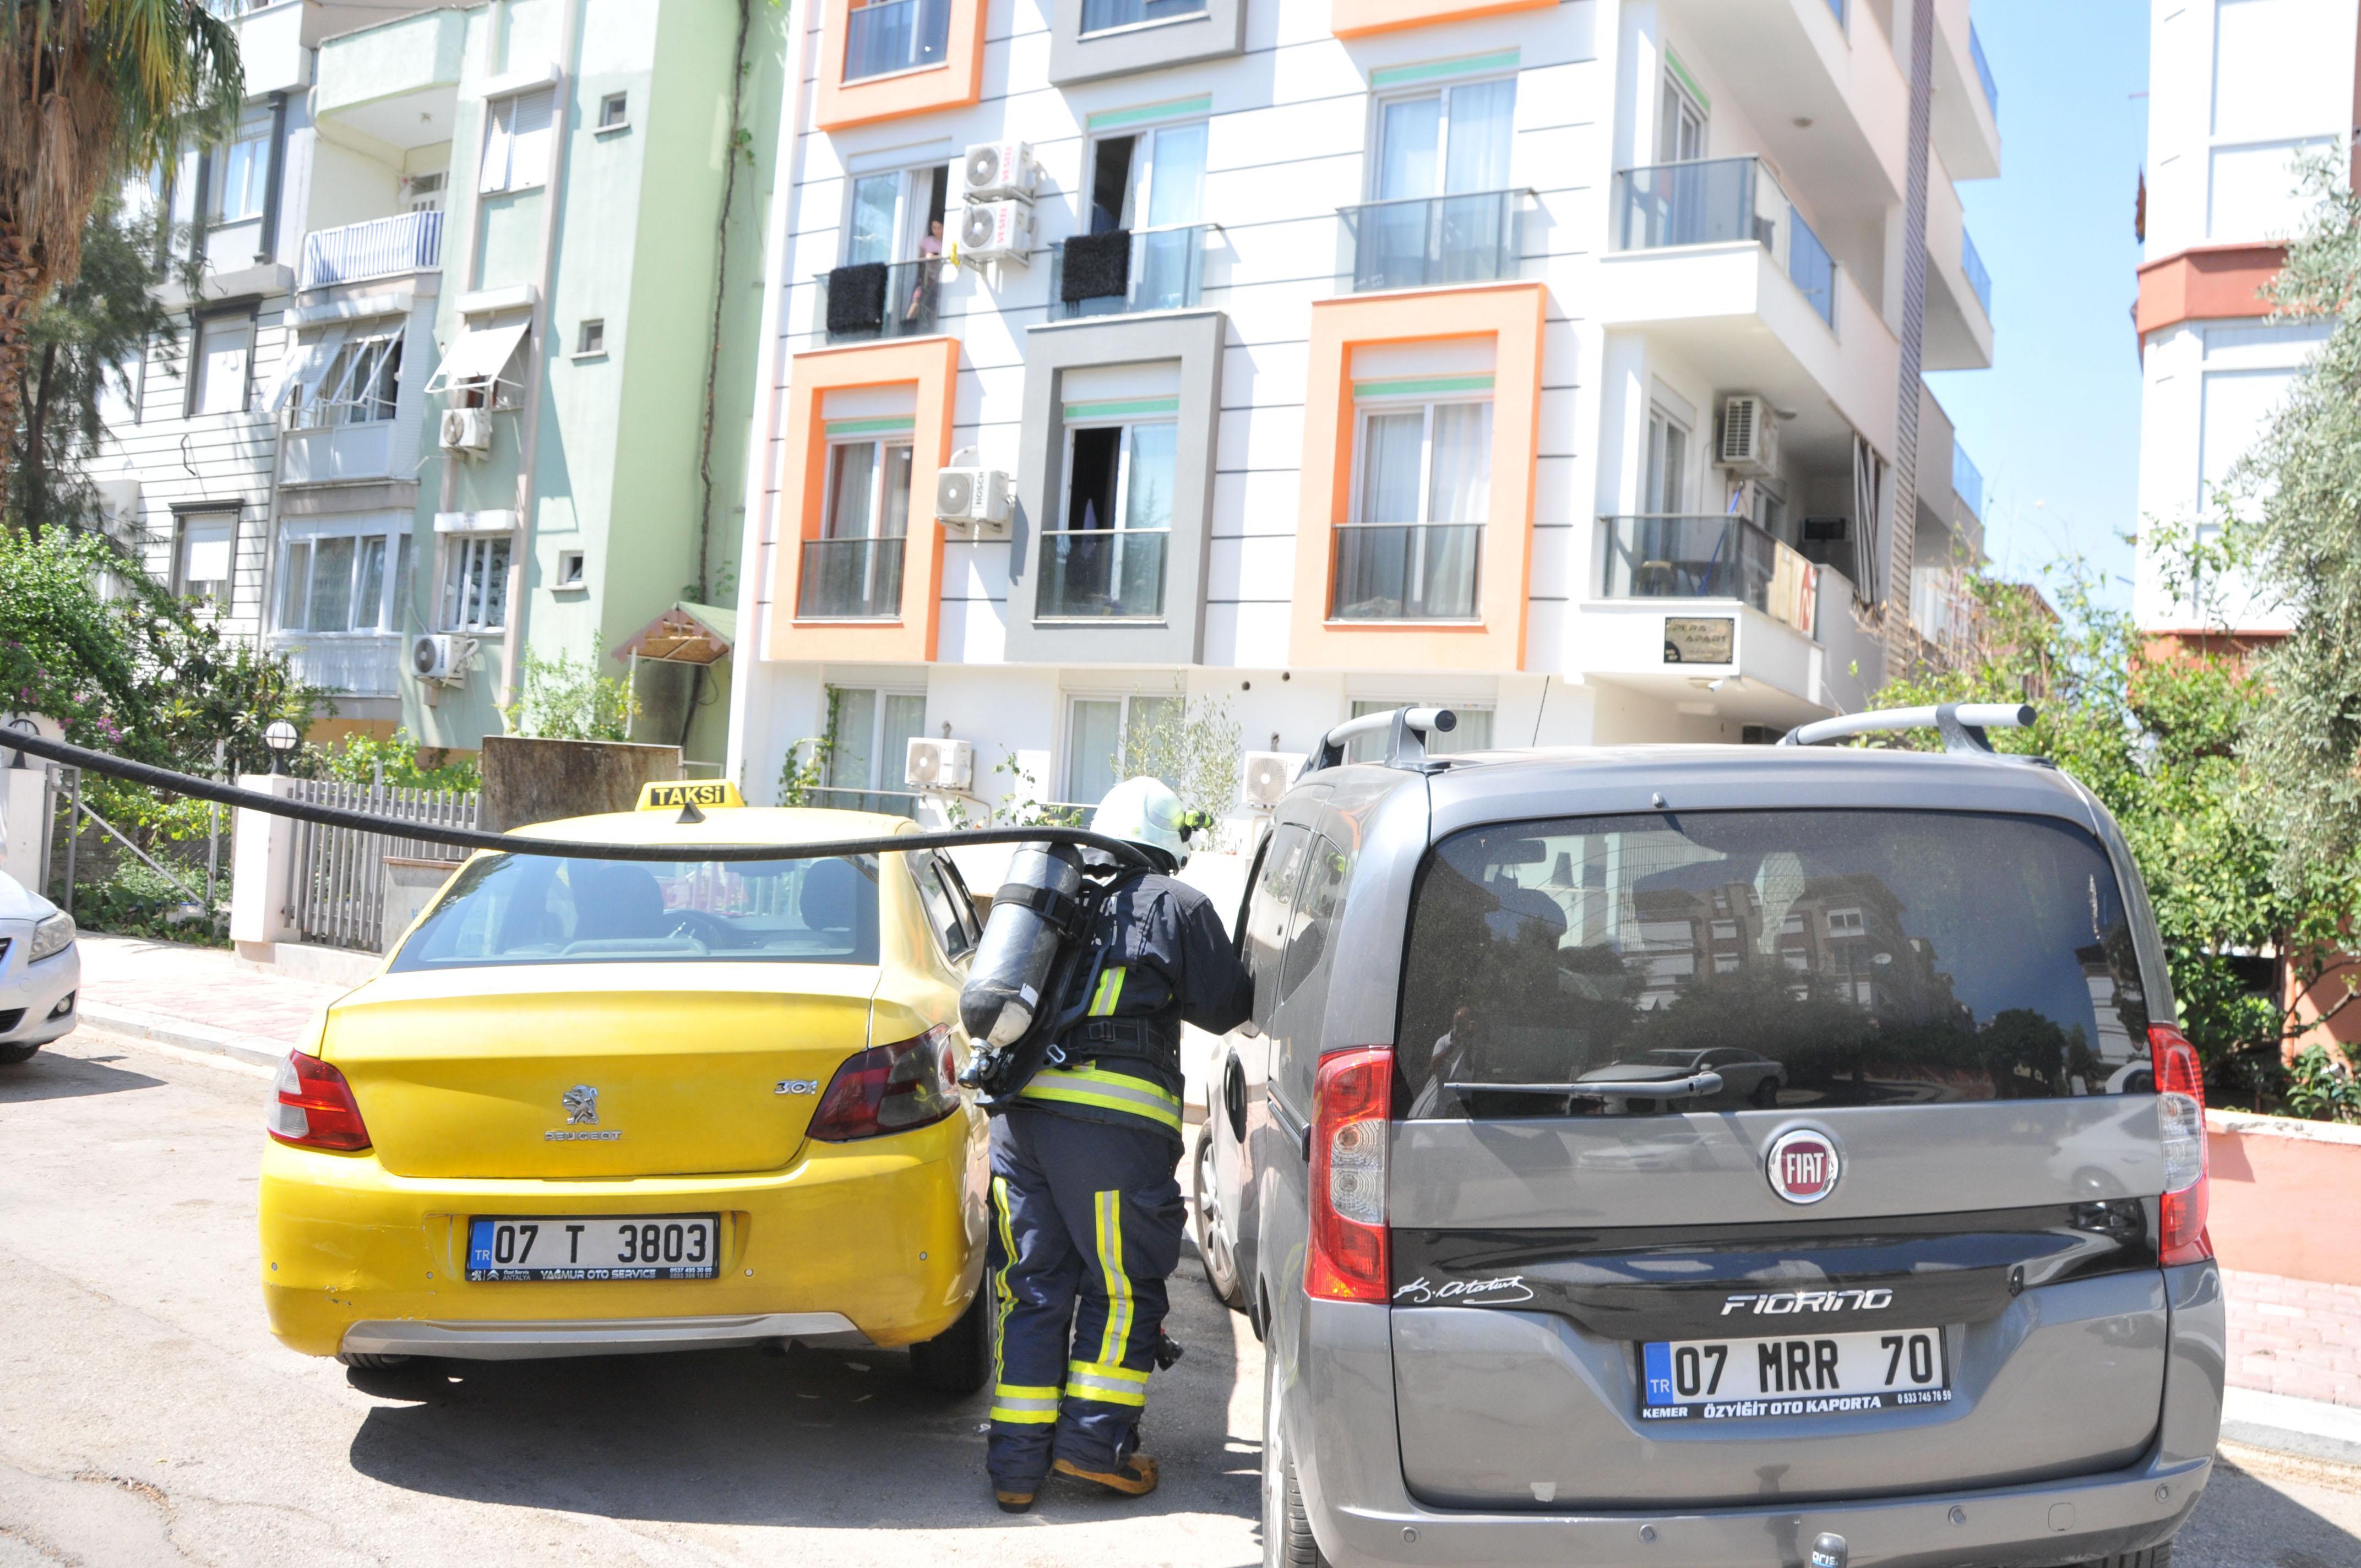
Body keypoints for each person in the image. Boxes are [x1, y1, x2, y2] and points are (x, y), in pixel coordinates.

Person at [982, 776, 1255, 1513]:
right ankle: (1092, 1451)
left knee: (1031, 1288)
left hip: (1020, 1119)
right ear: (1169, 844)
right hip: (1109, 1130)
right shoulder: (1176, 903)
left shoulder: (1055, 900)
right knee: (1121, 1287)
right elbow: (1231, 1004)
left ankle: (1014, 1468)